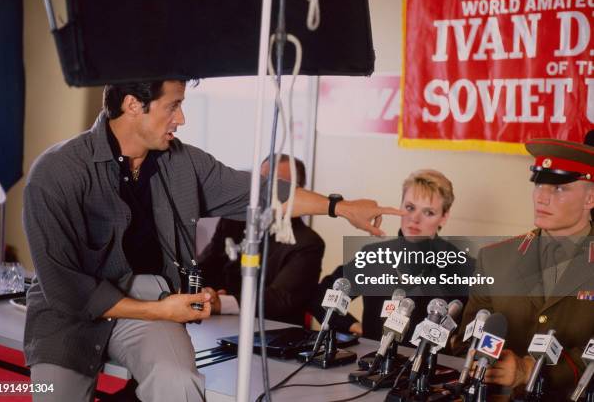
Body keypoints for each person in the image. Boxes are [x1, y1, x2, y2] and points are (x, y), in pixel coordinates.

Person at [22, 79, 403, 402]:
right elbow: (66, 289)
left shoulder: (183, 162)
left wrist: (339, 206)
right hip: (68, 314)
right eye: (173, 106)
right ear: (133, 105)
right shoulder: (57, 173)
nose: (182, 118)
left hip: (151, 297)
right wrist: (164, 311)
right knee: (53, 393)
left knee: (180, 384)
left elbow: (260, 191)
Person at [458, 137, 594, 398]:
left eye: (559, 189)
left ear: (590, 199)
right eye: (540, 184)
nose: (542, 197)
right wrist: (484, 362)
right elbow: (465, 341)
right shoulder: (494, 258)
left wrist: (531, 370)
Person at [309, 169, 473, 342]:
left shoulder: (462, 266)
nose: (415, 219)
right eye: (410, 207)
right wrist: (354, 327)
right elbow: (319, 297)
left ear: (444, 217)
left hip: (428, 366)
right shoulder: (374, 256)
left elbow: (469, 334)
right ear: (400, 207)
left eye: (428, 212)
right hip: (372, 363)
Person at [199, 155, 324, 325]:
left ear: (297, 193)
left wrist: (223, 303)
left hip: (272, 336)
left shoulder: (308, 243)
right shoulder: (233, 222)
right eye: (263, 182)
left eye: (280, 186)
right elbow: (206, 266)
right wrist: (205, 293)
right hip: (219, 326)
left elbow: (281, 299)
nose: (267, 191)